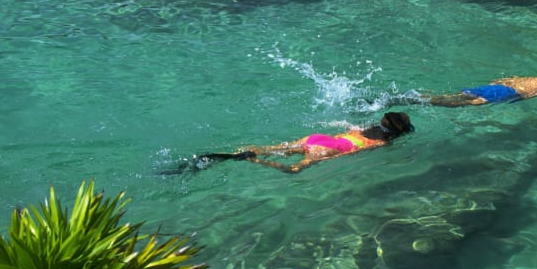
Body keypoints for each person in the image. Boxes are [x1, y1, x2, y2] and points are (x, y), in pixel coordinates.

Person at [175, 112, 414, 174]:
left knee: (276, 149)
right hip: (330, 148)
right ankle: (252, 159)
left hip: (318, 138)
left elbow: (346, 131)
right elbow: (347, 154)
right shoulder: (381, 145)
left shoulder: (361, 129)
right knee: (293, 170)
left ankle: (237, 153)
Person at [425, 58, 537, 107]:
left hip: (499, 86)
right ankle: (423, 101)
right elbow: (531, 94)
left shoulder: (531, 78)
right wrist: (518, 99)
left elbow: (505, 80)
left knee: (458, 96)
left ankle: (424, 97)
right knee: (464, 103)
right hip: (508, 93)